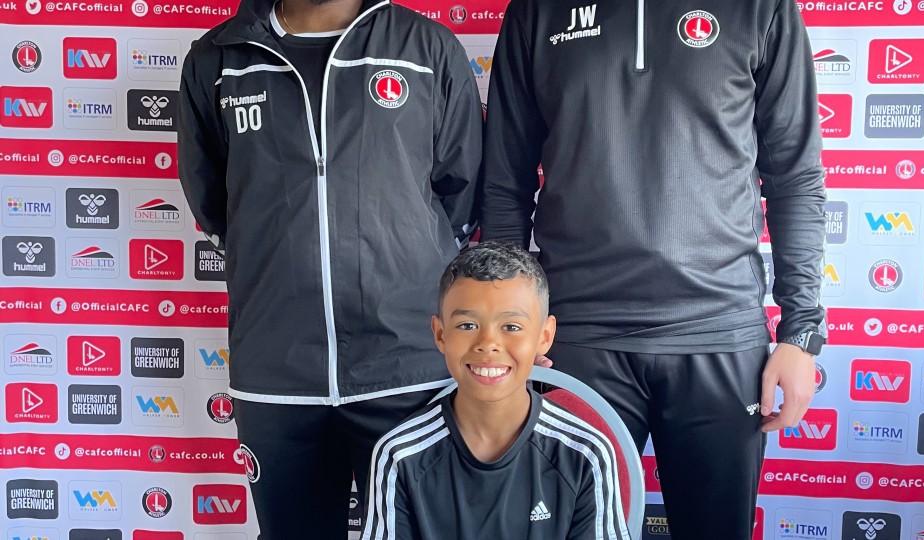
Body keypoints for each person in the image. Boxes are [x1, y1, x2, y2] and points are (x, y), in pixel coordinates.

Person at [481, 1, 826, 538]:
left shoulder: (761, 8)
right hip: (575, 338)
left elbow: (796, 177)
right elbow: (505, 182)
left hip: (718, 333)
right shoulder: (536, 9)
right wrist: (505, 322)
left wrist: (801, 332)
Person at [177, 0, 483, 535]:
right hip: (277, 373)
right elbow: (217, 202)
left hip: (405, 369)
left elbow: (460, 193)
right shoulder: (217, 58)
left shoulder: (425, 48)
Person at [362, 241, 629, 540]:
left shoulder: (586, 453)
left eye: (511, 327)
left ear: (544, 336)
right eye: (467, 325)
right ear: (440, 334)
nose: (488, 343)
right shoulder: (399, 454)